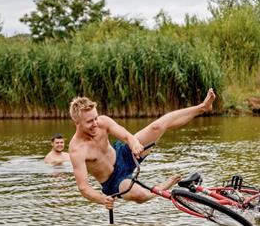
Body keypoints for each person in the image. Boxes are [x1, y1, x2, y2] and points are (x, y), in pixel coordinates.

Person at [68, 88, 216, 210]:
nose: (95, 123)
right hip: (114, 181)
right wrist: (102, 200)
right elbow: (83, 187)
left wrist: (134, 143)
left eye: (95, 118)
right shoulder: (77, 150)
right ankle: (163, 186)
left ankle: (202, 107)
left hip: (124, 154)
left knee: (157, 126)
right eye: (89, 121)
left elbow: (126, 136)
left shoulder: (103, 122)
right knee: (141, 196)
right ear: (77, 122)